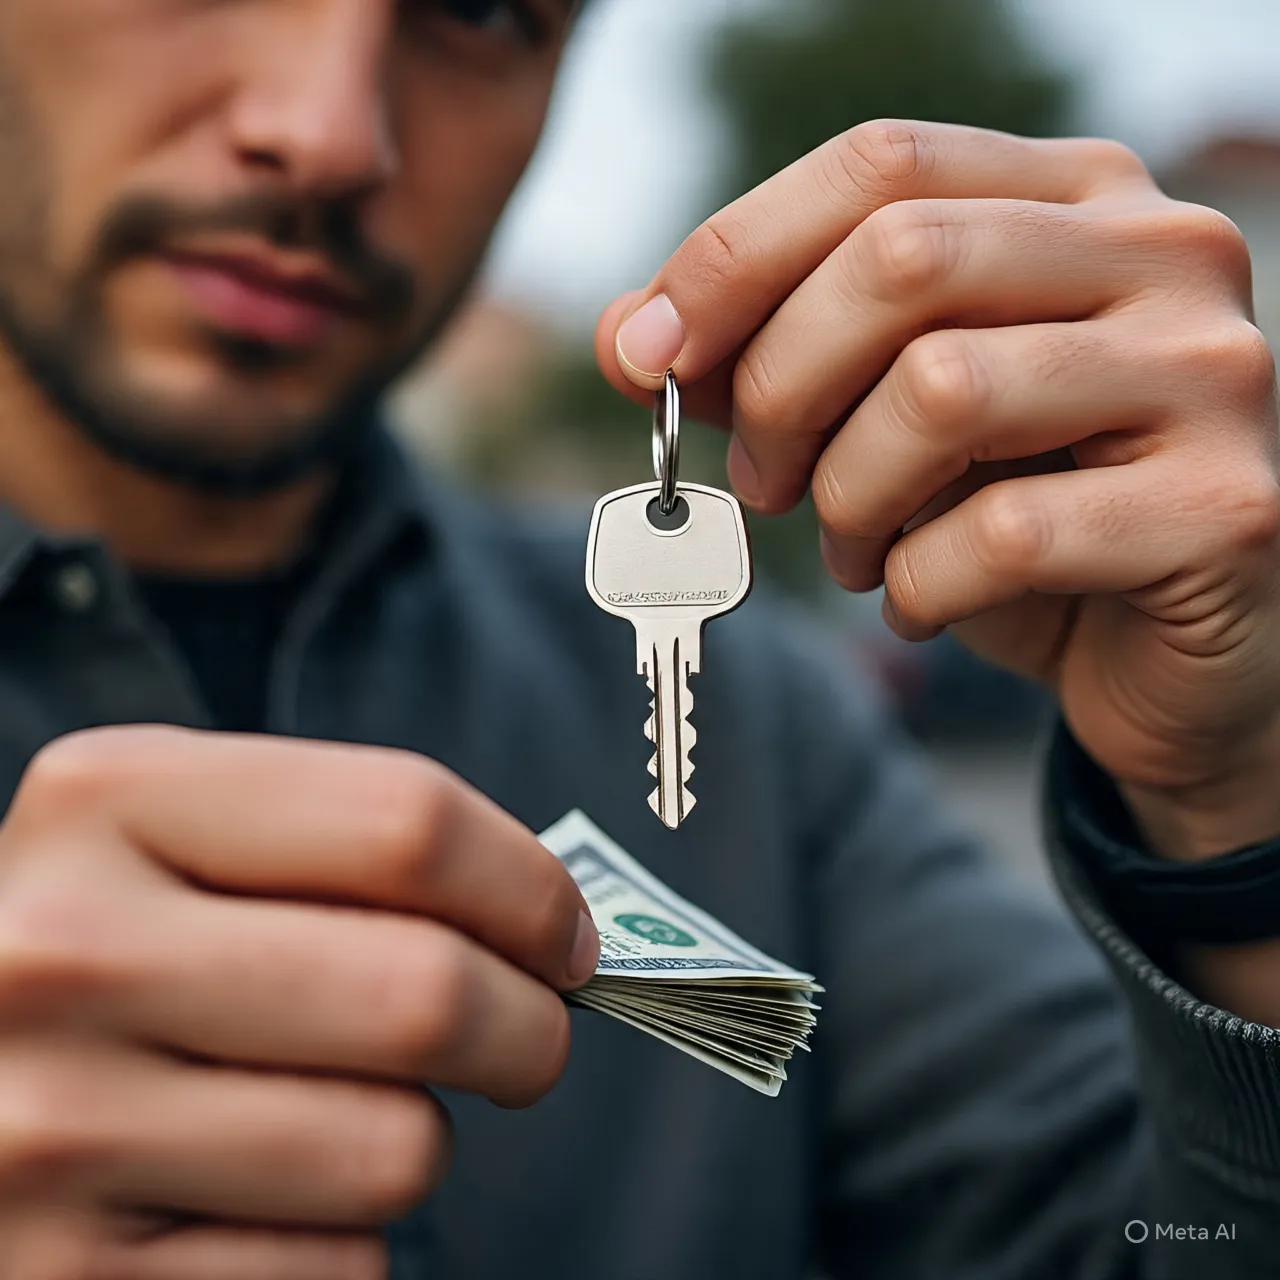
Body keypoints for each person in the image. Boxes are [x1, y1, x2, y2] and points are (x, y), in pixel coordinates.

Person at [0, 1, 1277, 1277]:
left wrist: (1237, 819)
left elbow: (1186, 1238)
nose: (330, 134)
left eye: (484, 12)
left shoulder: (762, 731)